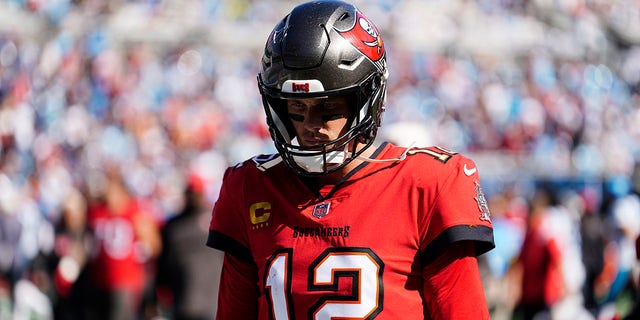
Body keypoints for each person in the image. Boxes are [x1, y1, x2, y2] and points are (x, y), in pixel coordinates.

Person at [206, 1, 495, 319]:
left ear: (367, 99)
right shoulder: (250, 185)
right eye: (296, 109)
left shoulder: (427, 183)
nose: (311, 125)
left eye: (328, 108)